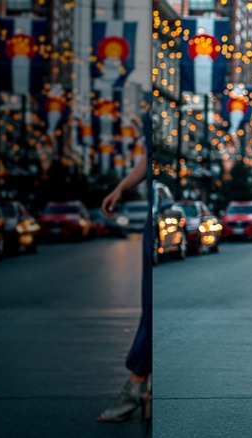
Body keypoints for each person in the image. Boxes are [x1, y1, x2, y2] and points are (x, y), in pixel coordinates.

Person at [96, 151, 152, 422]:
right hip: (152, 220)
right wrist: (121, 188)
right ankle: (141, 388)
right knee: (150, 305)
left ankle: (137, 384)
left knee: (151, 308)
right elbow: (148, 157)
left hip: (155, 217)